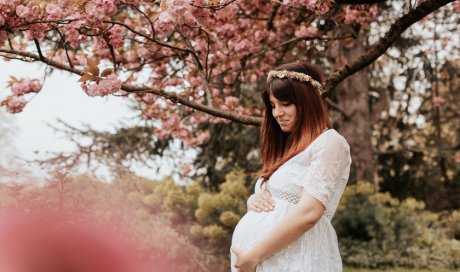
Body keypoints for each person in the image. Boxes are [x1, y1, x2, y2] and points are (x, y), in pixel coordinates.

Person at [230, 62, 352, 272]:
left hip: (297, 258)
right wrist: (254, 200)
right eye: (273, 105)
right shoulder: (288, 147)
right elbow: (281, 200)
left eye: (285, 104)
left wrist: (253, 257)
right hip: (268, 260)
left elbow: (309, 213)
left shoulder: (330, 142)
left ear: (307, 103)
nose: (277, 113)